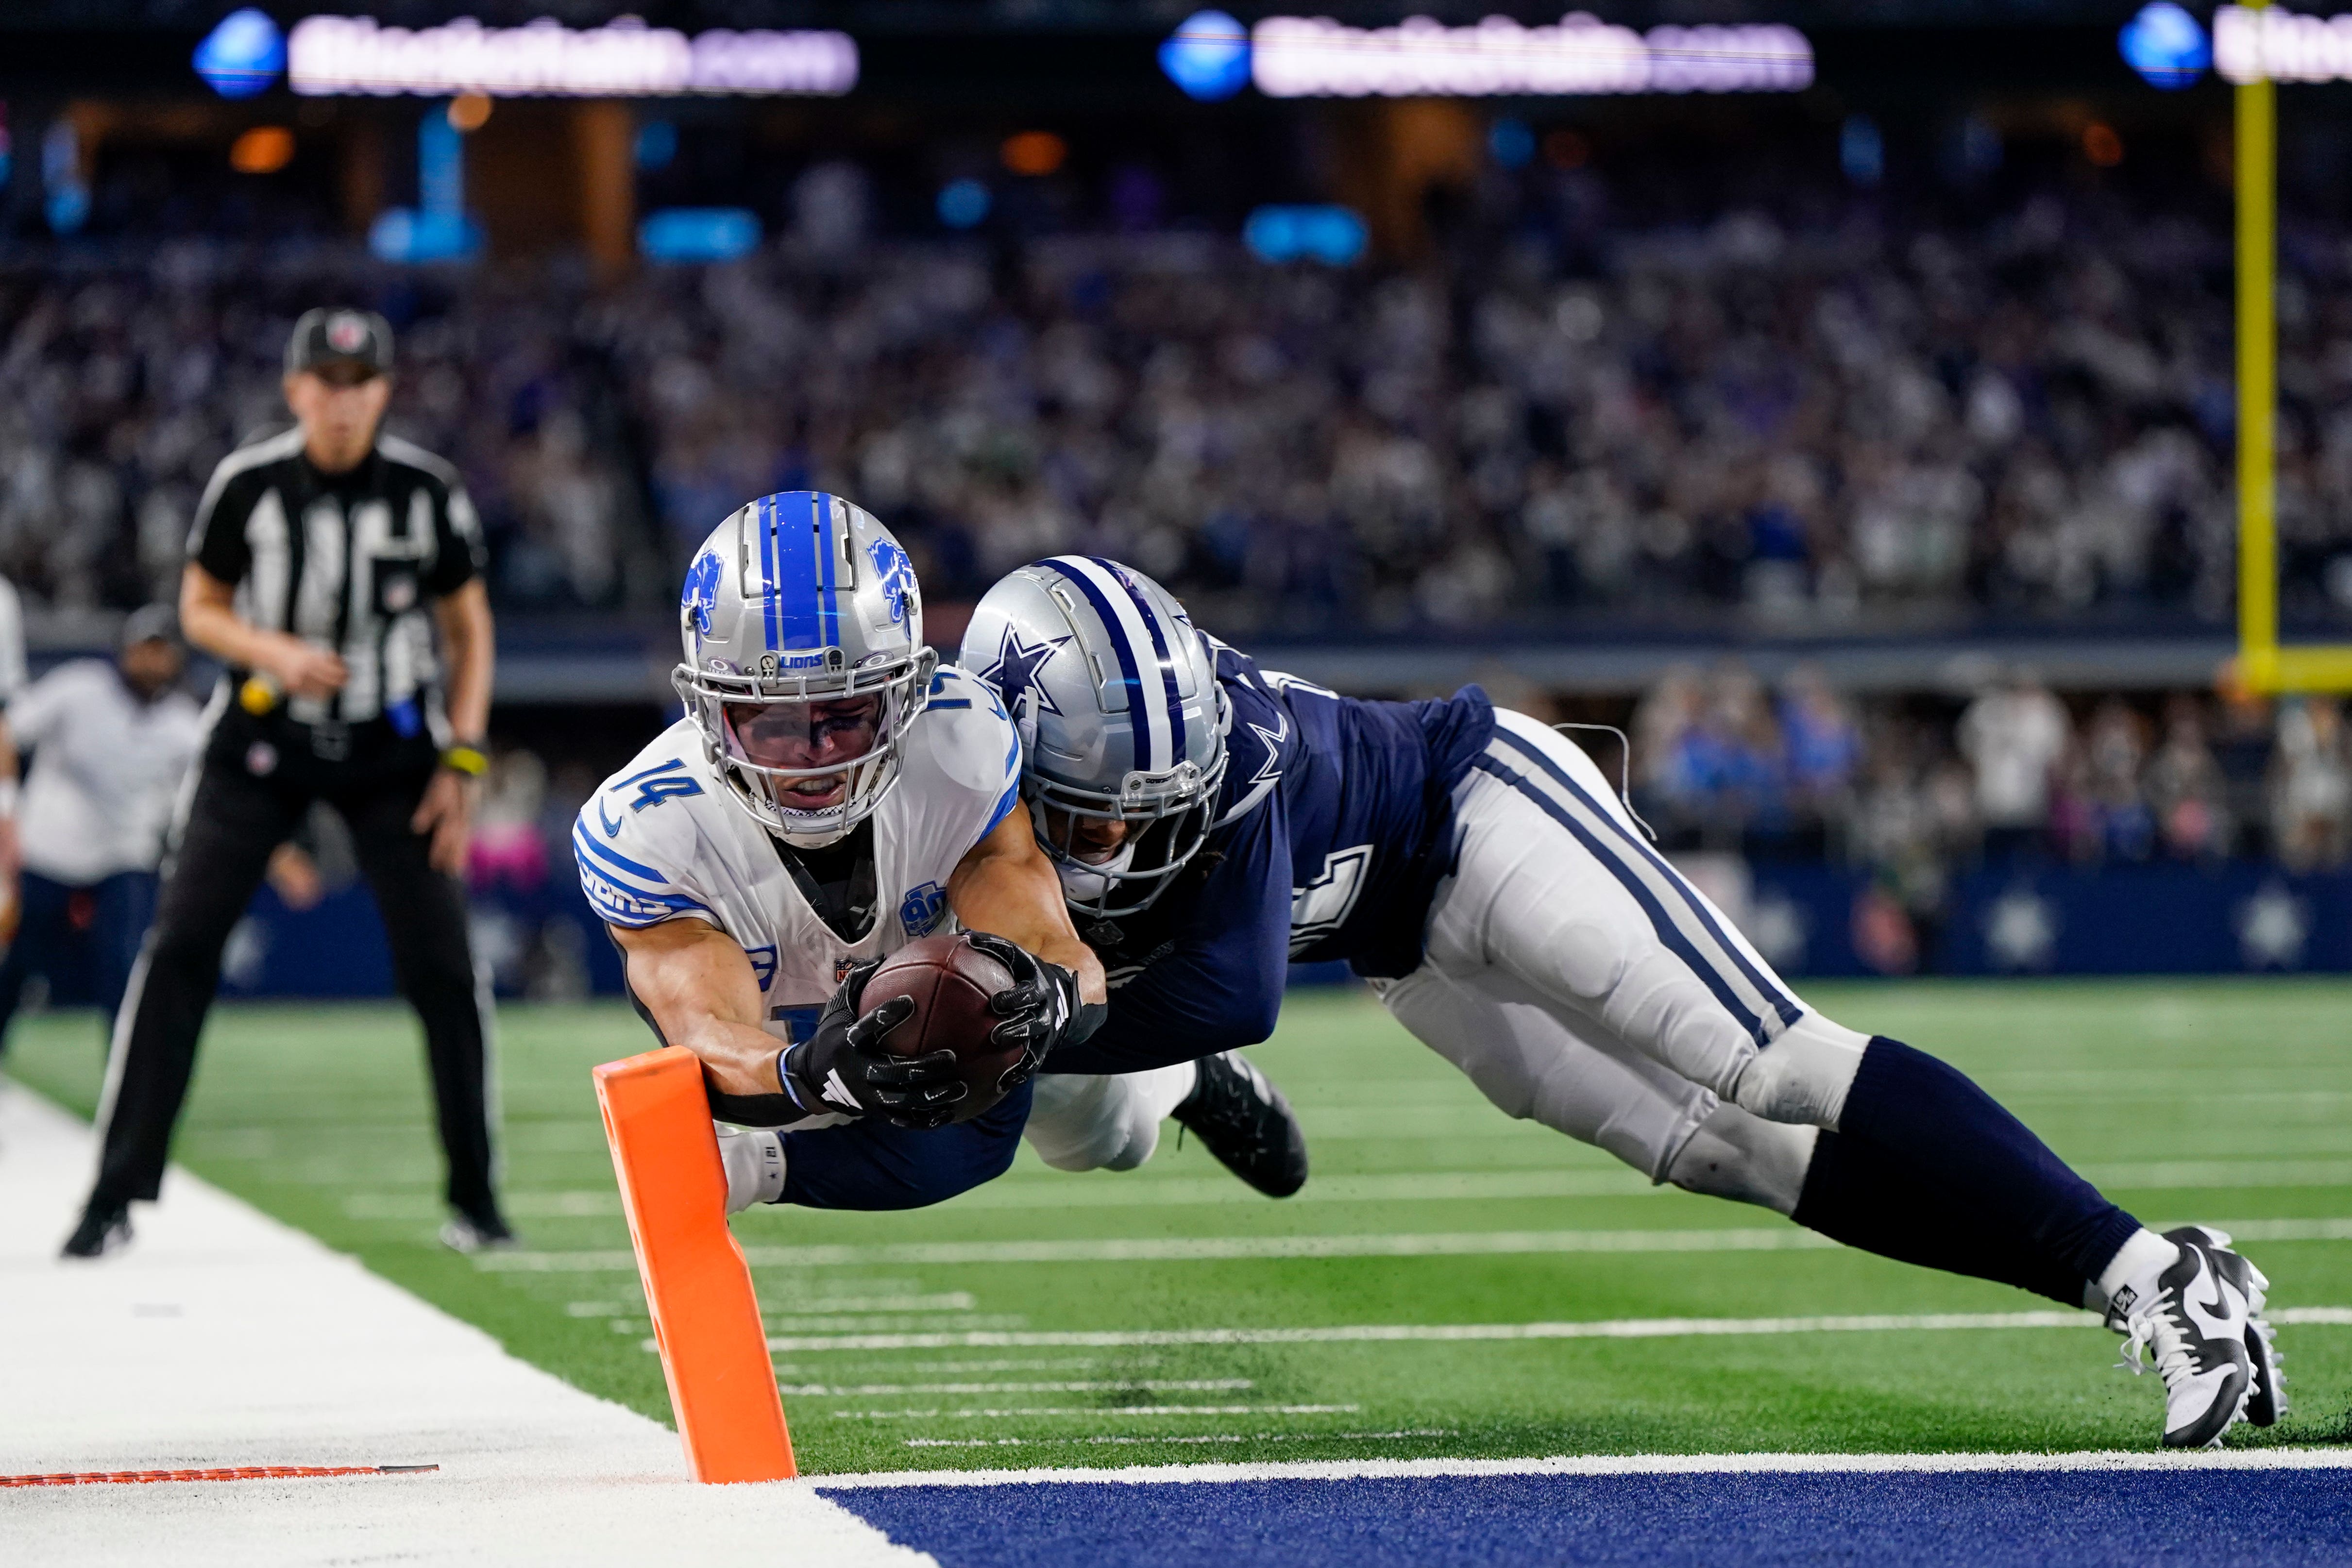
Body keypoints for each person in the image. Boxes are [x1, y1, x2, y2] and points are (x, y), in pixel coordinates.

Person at [960, 556, 2284, 1450]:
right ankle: (2134, 1274)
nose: (1121, 843)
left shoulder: (1224, 744)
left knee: (1767, 1061)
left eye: (1145, 813)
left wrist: (977, 1034)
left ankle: (2148, 1269)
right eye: (1086, 816)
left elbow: (1231, 987)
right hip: (1401, 947)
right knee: (1733, 1152)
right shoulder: (979, 779)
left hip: (1478, 814)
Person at [578, 492, 1305, 1217]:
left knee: (1105, 1137)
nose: (812, 755)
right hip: (781, 1049)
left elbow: (1052, 944)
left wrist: (1047, 995)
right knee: (791, 1114)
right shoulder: (650, 825)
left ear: (904, 696)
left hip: (952, 1007)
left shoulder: (957, 748)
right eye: (769, 718)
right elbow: (703, 1034)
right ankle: (762, 1166)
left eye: (847, 713)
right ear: (707, 708)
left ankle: (1182, 1080)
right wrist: (809, 1072)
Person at [64, 308, 507, 1260]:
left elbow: (469, 628)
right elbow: (198, 608)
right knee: (179, 948)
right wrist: (274, 650)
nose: (342, 402)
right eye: (326, 383)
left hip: (394, 747)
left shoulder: (427, 491)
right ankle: (114, 1194)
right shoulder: (249, 485)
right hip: (261, 736)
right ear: (295, 388)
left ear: (383, 391)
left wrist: (462, 760)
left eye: (360, 384)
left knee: (442, 967)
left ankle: (477, 1195)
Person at [0, 608, 204, 1054]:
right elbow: (7, 732)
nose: (152, 662)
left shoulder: (184, 723)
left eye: (162, 653)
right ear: (125, 651)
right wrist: (7, 810)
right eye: (144, 650)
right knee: (18, 961)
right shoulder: (80, 688)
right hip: (51, 848)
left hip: (123, 853)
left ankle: (126, 1068)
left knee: (124, 963)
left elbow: (212, 793)